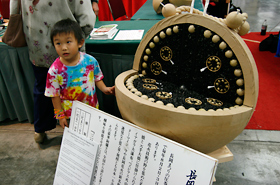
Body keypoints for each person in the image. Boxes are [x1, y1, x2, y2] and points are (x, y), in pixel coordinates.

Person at [9, 0, 96, 143]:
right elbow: (87, 19)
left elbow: (14, 7)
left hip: (37, 43)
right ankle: (78, 131)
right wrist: (76, 40)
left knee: (43, 86)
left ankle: (40, 129)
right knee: (75, 88)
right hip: (70, 44)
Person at [45, 19, 115, 129]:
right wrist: (60, 116)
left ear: (80, 43)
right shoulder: (54, 70)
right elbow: (54, 95)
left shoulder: (90, 61)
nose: (64, 47)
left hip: (92, 108)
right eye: (58, 43)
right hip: (70, 115)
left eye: (68, 42)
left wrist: (105, 89)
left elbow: (97, 78)